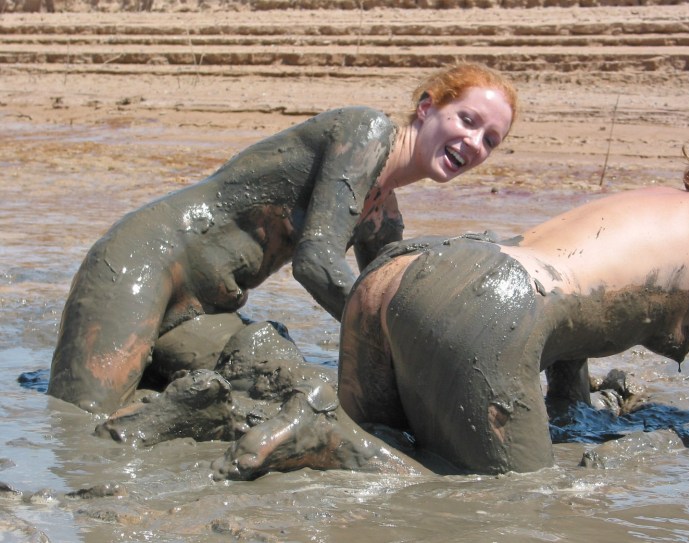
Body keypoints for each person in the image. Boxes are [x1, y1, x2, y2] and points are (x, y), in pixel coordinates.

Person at [211, 123, 689, 479]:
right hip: (483, 299)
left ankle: (330, 429)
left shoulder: (665, 202)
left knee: (390, 453)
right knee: (515, 501)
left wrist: (570, 415)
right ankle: (327, 433)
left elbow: (573, 316)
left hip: (405, 275)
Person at [47, 63, 518, 415]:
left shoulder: (384, 219)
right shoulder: (365, 132)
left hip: (206, 309)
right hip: (145, 260)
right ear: (427, 108)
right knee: (80, 420)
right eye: (467, 120)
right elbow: (316, 263)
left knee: (263, 389)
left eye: (491, 140)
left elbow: (381, 303)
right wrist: (406, 345)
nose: (475, 143)